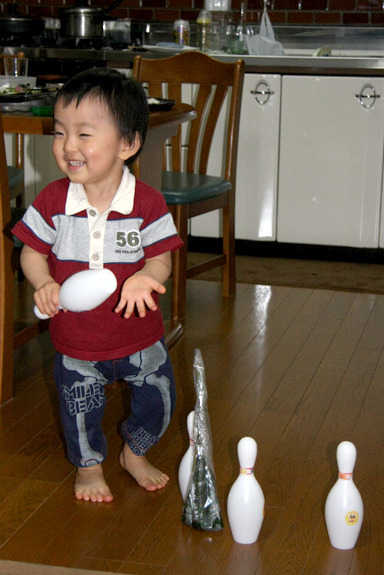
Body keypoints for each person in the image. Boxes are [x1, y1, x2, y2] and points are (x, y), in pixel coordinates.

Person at [12, 68, 183, 503]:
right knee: (79, 409)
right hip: (77, 338)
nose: (68, 146)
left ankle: (134, 451)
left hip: (139, 335)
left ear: (128, 144)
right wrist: (44, 280)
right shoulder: (53, 200)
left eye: (84, 134)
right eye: (59, 133)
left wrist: (148, 275)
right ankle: (88, 467)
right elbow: (30, 251)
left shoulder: (146, 203)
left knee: (160, 401)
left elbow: (161, 256)